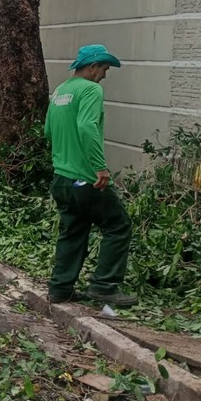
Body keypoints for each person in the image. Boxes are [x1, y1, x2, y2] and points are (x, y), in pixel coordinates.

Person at [44, 44, 137, 307]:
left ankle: (60, 289)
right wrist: (99, 167)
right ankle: (104, 287)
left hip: (62, 179)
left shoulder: (61, 91)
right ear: (93, 66)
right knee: (118, 226)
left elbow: (48, 132)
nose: (105, 75)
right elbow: (87, 126)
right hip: (85, 178)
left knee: (73, 231)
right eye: (105, 69)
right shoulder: (91, 89)